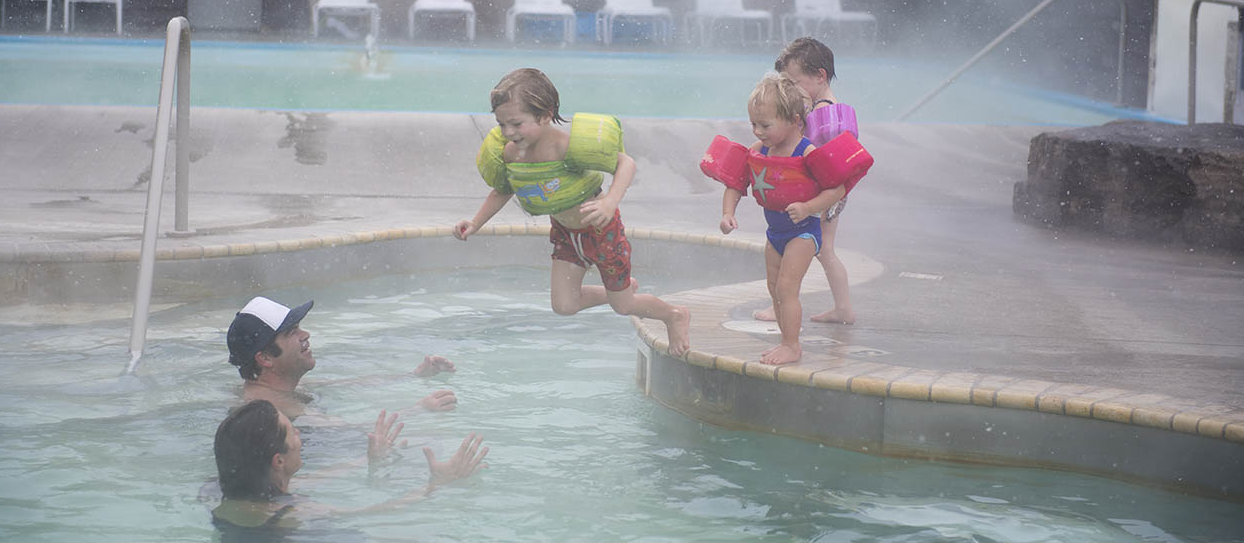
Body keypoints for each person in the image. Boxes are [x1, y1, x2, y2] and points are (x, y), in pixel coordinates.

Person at [452, 68, 691, 356]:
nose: (508, 133)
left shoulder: (565, 147)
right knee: (563, 306)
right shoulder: (512, 153)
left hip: (601, 230)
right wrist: (475, 223)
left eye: (516, 123)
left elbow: (626, 164)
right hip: (566, 233)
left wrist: (609, 202)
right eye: (501, 125)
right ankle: (618, 290)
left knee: (624, 307)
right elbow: (504, 189)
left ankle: (674, 315)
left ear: (545, 115)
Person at [714, 75, 847, 365]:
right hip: (775, 233)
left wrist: (808, 206)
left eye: (765, 125)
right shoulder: (759, 151)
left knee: (787, 287)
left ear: (794, 120)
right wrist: (728, 213)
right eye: (754, 124)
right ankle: (785, 339)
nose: (758, 131)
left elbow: (837, 188)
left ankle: (792, 345)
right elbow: (736, 184)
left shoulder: (807, 152)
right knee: (774, 287)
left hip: (804, 231)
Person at [212, 399, 488, 532]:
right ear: (278, 461)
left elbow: (321, 477)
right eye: (290, 429)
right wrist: (438, 485)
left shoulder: (235, 492)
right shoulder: (289, 515)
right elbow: (372, 513)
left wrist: (369, 460)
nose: (298, 433)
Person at [758, 37, 860, 325]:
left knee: (801, 246)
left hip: (822, 195)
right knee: (825, 249)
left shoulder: (819, 115)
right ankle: (843, 308)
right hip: (833, 193)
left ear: (820, 75)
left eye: (794, 82)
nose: (790, 89)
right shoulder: (832, 109)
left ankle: (782, 303)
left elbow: (804, 153)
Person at [227, 296, 458, 420]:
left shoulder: (275, 388)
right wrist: (419, 410)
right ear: (265, 358)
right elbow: (354, 437)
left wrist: (413, 375)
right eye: (292, 332)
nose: (305, 335)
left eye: (300, 327)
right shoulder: (276, 409)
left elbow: (347, 385)